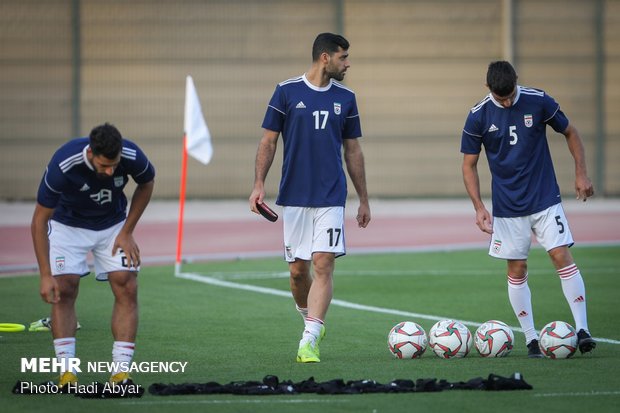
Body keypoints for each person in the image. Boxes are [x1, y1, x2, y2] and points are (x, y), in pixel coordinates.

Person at [460, 61, 596, 357]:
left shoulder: (538, 100)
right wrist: (479, 207)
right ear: (488, 89)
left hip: (545, 198)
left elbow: (570, 132)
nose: (507, 102)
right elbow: (469, 165)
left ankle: (583, 329)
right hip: (508, 208)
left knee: (561, 255)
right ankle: (532, 339)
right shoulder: (478, 116)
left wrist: (581, 173)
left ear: (516, 81)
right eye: (501, 98)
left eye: (510, 95)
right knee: (517, 268)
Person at [249, 33, 371, 363]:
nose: (348, 63)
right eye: (343, 57)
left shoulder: (346, 99)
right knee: (297, 272)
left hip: (332, 196)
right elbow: (268, 142)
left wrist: (363, 198)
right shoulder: (286, 91)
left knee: (323, 264)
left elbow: (353, 150)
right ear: (325, 58)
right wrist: (259, 184)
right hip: (295, 197)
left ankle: (310, 339)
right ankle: (310, 319)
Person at [31, 122, 155, 387]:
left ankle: (120, 373)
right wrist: (44, 275)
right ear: (90, 154)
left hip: (112, 225)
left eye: (114, 164)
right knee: (64, 289)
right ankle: (67, 373)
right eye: (103, 166)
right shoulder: (64, 164)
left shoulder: (131, 155)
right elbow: (39, 220)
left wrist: (127, 231)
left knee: (127, 284)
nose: (110, 171)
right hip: (67, 226)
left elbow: (146, 183)